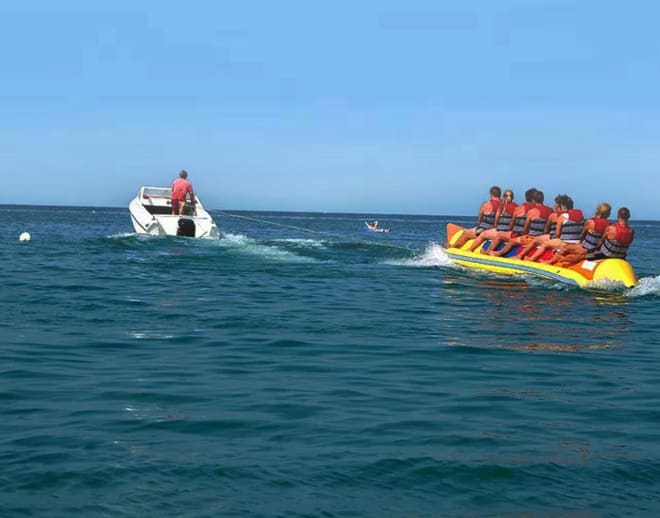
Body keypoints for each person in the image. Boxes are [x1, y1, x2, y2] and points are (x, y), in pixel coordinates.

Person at [520, 195, 585, 262]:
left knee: (544, 243)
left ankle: (531, 258)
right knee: (544, 239)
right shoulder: (581, 216)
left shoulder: (562, 216)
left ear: (562, 206)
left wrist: (552, 240)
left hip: (564, 242)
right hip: (577, 242)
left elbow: (557, 234)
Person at [544, 202, 611, 265]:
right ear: (607, 214)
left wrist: (580, 243)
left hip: (587, 247)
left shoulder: (590, 222)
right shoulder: (609, 225)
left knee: (565, 247)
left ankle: (552, 261)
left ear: (598, 210)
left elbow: (582, 235)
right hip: (597, 249)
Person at [485, 188, 536, 255]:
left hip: (519, 235)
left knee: (499, 235)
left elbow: (508, 223)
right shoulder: (518, 206)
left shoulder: (515, 208)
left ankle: (489, 251)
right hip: (533, 235)